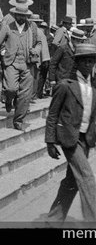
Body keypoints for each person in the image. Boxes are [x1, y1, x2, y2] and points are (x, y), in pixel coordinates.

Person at [44, 42, 96, 223]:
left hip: (86, 138)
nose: (88, 65)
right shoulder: (65, 85)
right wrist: (50, 141)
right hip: (69, 137)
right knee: (87, 177)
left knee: (71, 182)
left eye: (91, 62)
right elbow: (52, 115)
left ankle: (53, 220)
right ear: (78, 63)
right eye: (85, 62)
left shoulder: (94, 85)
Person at [0, 0, 42, 131]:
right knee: (11, 88)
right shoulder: (7, 26)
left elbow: (39, 42)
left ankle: (18, 120)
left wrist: (36, 50)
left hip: (28, 64)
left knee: (25, 95)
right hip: (11, 63)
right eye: (19, 15)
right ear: (15, 15)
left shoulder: (32, 27)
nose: (22, 18)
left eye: (24, 16)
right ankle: (8, 99)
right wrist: (3, 52)